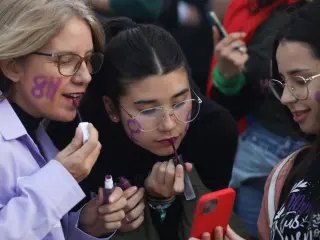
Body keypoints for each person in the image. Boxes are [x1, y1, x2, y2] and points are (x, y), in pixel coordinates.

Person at [48, 17, 249, 240]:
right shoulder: (79, 139)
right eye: (147, 110)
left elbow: (209, 225)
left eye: (180, 102)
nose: (169, 125)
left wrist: (162, 205)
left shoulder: (213, 131)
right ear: (111, 108)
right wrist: (89, 223)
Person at [0, 0, 127, 239]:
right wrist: (62, 179)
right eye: (66, 61)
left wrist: (85, 226)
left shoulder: (39, 130)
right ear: (13, 66)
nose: (85, 76)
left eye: (88, 60)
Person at [193, 1, 320, 239]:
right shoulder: (289, 172)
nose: (284, 98)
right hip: (261, 153)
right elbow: (231, 108)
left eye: (300, 80)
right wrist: (228, 76)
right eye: (281, 82)